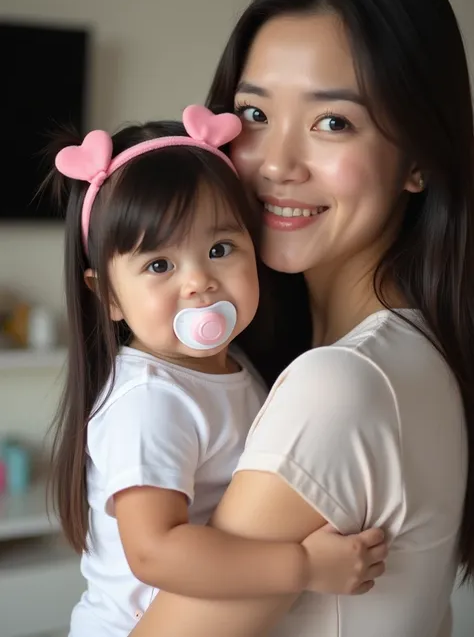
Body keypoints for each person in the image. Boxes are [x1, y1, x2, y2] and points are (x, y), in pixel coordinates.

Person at [130, 0, 474, 637]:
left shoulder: (342, 384)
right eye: (253, 115)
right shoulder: (412, 352)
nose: (274, 164)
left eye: (332, 122)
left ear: (418, 161)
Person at [47, 105, 386, 637]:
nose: (199, 281)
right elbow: (156, 551)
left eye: (220, 249)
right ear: (108, 296)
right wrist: (305, 566)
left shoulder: (238, 368)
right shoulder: (148, 400)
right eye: (159, 265)